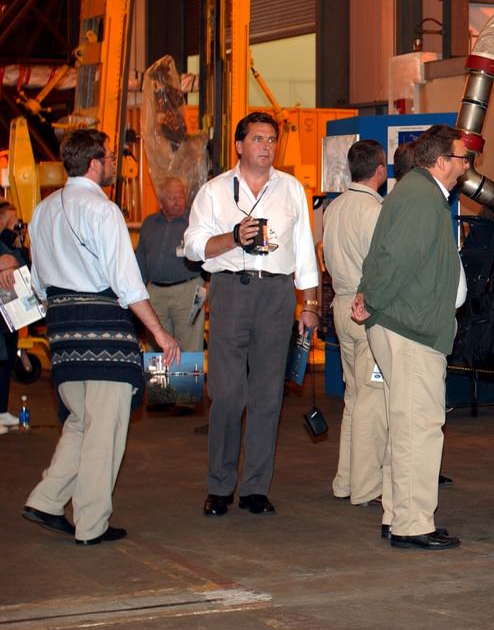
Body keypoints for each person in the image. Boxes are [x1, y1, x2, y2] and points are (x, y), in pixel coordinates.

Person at [11, 130, 179, 544]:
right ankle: (91, 525)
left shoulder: (44, 210)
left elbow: (38, 279)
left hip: (63, 333)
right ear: (94, 164)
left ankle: (47, 499)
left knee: (82, 423)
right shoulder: (103, 211)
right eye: (109, 157)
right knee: (105, 429)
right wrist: (160, 332)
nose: (112, 164)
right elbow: (127, 282)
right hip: (103, 328)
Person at [184, 112, 321, 518]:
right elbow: (192, 246)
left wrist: (310, 305)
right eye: (258, 139)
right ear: (240, 146)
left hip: (277, 295)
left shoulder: (291, 189)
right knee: (227, 394)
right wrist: (233, 237)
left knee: (267, 395)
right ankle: (220, 485)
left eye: (271, 139)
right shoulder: (214, 191)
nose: (266, 146)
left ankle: (256, 488)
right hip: (230, 291)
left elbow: (304, 253)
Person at [352, 125, 468, 550]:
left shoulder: (414, 192)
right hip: (411, 328)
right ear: (442, 162)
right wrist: (373, 297)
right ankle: (413, 523)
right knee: (419, 426)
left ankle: (397, 514)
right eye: (462, 157)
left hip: (404, 323)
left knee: (405, 423)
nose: (466, 165)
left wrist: (369, 296)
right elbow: (397, 258)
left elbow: (379, 253)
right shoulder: (422, 196)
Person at [322, 140, 389, 513]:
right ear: (380, 169)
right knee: (372, 400)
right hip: (367, 310)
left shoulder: (334, 208)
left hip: (341, 306)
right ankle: (367, 485)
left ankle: (345, 480)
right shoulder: (375, 211)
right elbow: (380, 265)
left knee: (353, 397)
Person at [135, 177, 205, 353]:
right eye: (172, 198)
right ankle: (159, 382)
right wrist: (139, 290)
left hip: (188, 291)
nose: (177, 202)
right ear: (160, 201)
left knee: (189, 345)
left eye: (180, 197)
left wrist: (208, 283)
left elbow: (208, 252)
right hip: (155, 293)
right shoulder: (149, 224)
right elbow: (141, 259)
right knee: (156, 343)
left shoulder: (195, 221)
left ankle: (185, 382)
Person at [0, 200, 28, 427]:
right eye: (12, 220)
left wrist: (18, 245)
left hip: (10, 309)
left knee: (6, 358)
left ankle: (1, 409)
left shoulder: (9, 243)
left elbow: (20, 264)